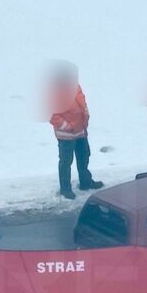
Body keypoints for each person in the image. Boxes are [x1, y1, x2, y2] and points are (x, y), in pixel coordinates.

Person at [48, 63, 102, 200]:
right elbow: (52, 115)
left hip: (80, 131)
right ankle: (65, 188)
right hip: (66, 135)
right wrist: (67, 126)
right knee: (66, 161)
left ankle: (86, 182)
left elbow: (83, 103)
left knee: (84, 157)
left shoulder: (75, 87)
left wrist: (86, 116)